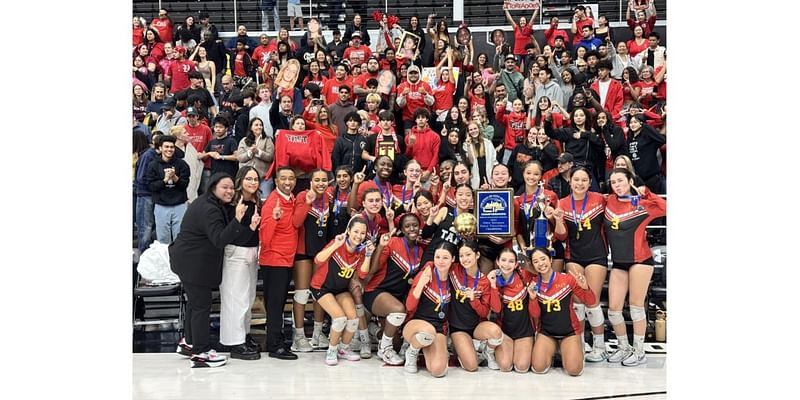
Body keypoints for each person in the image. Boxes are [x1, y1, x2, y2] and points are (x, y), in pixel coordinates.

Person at [170, 172, 257, 367]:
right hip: (193, 263)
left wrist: (247, 227)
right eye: (224, 187)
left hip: (187, 260)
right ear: (213, 187)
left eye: (230, 187)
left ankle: (189, 343)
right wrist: (237, 219)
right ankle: (200, 352)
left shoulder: (210, 203)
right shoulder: (209, 209)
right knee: (201, 304)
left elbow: (224, 236)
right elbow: (219, 240)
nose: (228, 191)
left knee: (194, 303)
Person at [603, 168, 666, 366]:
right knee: (614, 309)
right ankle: (624, 348)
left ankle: (639, 351)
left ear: (630, 180)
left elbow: (665, 208)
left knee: (636, 307)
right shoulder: (609, 201)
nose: (617, 185)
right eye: (613, 182)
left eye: (620, 181)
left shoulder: (642, 203)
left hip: (641, 260)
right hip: (620, 261)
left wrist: (646, 192)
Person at [552, 166, 608, 363]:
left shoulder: (600, 199)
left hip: (596, 256)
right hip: (573, 256)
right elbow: (561, 235)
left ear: (589, 182)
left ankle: (600, 346)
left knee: (591, 300)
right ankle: (581, 343)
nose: (580, 183)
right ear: (570, 180)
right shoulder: (563, 203)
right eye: (576, 179)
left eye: (584, 180)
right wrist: (558, 220)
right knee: (576, 302)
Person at [311, 216, 375, 365]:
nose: (359, 236)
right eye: (356, 231)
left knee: (353, 319)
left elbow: (362, 274)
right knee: (340, 318)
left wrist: (368, 255)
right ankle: (332, 350)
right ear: (348, 231)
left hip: (340, 289)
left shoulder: (361, 251)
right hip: (321, 287)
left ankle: (343, 349)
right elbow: (318, 260)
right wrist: (335, 245)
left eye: (362, 233)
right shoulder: (338, 243)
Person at [360, 213, 422, 365]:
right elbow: (373, 269)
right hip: (376, 291)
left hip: (396, 296)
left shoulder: (421, 250)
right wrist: (381, 247)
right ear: (401, 229)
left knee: (397, 343)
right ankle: (384, 349)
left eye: (415, 225)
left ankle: (374, 331)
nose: (412, 229)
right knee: (398, 310)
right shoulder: (393, 242)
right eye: (407, 226)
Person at [217, 167, 264, 361]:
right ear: (240, 180)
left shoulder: (256, 201)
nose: (252, 183)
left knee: (248, 296)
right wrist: (248, 225)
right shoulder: (232, 202)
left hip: (251, 251)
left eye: (255, 179)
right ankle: (234, 342)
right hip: (235, 252)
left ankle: (243, 335)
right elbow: (230, 233)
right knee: (236, 297)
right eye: (248, 179)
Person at [528, 247, 596, 375]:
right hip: (546, 332)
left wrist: (585, 287)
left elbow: (591, 301)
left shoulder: (567, 279)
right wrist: (532, 299)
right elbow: (535, 314)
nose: (540, 264)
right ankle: (554, 348)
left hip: (569, 331)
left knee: (574, 370)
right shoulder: (533, 284)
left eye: (543, 259)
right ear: (532, 265)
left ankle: (569, 348)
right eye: (536, 261)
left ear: (551, 259)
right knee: (538, 368)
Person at [258, 167, 303, 360]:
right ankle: (275, 345)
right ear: (276, 181)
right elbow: (265, 238)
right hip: (274, 260)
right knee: (275, 304)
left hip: (286, 259)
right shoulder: (272, 203)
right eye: (283, 178)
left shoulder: (290, 199)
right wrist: (274, 219)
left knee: (278, 302)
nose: (288, 182)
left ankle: (274, 339)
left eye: (291, 178)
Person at [290, 170, 333, 353]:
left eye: (324, 180)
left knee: (318, 293)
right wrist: (307, 202)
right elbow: (297, 222)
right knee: (301, 294)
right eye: (317, 180)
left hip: (320, 252)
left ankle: (317, 333)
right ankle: (298, 336)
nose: (321, 183)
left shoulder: (328, 198)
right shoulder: (302, 195)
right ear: (310, 181)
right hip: (303, 251)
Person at [450, 241, 507, 371]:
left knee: (496, 332)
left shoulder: (484, 281)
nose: (465, 259)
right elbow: (438, 262)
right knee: (472, 366)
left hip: (476, 326)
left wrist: (473, 299)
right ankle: (462, 346)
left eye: (468, 254)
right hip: (458, 328)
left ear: (477, 255)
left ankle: (487, 351)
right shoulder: (453, 270)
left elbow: (484, 312)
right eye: (461, 255)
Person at [402, 243, 457, 377]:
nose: (441, 261)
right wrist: (421, 283)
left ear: (453, 259)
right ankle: (412, 351)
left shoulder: (454, 276)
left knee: (438, 371)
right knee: (428, 332)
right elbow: (409, 306)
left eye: (445, 258)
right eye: (437, 257)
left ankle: (428, 348)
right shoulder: (425, 274)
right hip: (416, 324)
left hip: (438, 328)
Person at [487, 249, 536, 372]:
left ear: (515, 264)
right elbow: (496, 308)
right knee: (504, 366)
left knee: (522, 367)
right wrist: (493, 286)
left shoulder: (524, 276)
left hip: (524, 331)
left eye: (511, 261)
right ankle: (488, 350)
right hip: (505, 332)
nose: (506, 264)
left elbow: (539, 274)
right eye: (503, 260)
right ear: (497, 262)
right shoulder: (493, 279)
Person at [146, 135, 190, 245]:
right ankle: (165, 261)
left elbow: (185, 184)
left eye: (172, 147)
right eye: (166, 147)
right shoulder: (153, 165)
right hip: (161, 205)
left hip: (179, 205)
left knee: (179, 237)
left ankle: (178, 261)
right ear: (160, 148)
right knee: (163, 239)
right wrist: (165, 180)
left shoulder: (182, 164)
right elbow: (151, 186)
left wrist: (175, 177)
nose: (169, 149)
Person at [626, 114, 666, 194]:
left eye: (635, 122)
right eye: (631, 122)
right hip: (638, 179)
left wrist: (645, 126)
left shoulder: (649, 138)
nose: (632, 124)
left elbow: (662, 139)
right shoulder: (629, 139)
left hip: (652, 178)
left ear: (641, 123)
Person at [236, 117, 275, 197]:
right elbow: (240, 157)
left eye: (261, 125)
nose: (259, 127)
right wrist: (250, 152)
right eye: (256, 125)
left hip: (264, 178)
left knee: (264, 200)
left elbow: (270, 157)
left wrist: (258, 152)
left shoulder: (267, 140)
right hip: (247, 178)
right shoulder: (244, 140)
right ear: (251, 127)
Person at [403, 109, 440, 183]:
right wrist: (410, 145)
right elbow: (407, 156)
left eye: (423, 117)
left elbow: (436, 155)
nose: (420, 120)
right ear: (415, 120)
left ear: (427, 119)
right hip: (414, 171)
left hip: (429, 172)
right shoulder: (409, 136)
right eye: (418, 118)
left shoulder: (435, 136)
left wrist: (428, 171)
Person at [170, 125, 203, 204]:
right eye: (185, 133)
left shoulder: (189, 147)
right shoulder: (172, 151)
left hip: (192, 181)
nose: (188, 134)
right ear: (179, 136)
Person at [464, 121, 496, 189]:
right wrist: (469, 145)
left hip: (489, 175)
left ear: (479, 129)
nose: (473, 131)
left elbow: (494, 161)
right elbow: (471, 161)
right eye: (471, 130)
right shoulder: (466, 145)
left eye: (475, 128)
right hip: (475, 176)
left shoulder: (488, 142)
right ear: (468, 132)